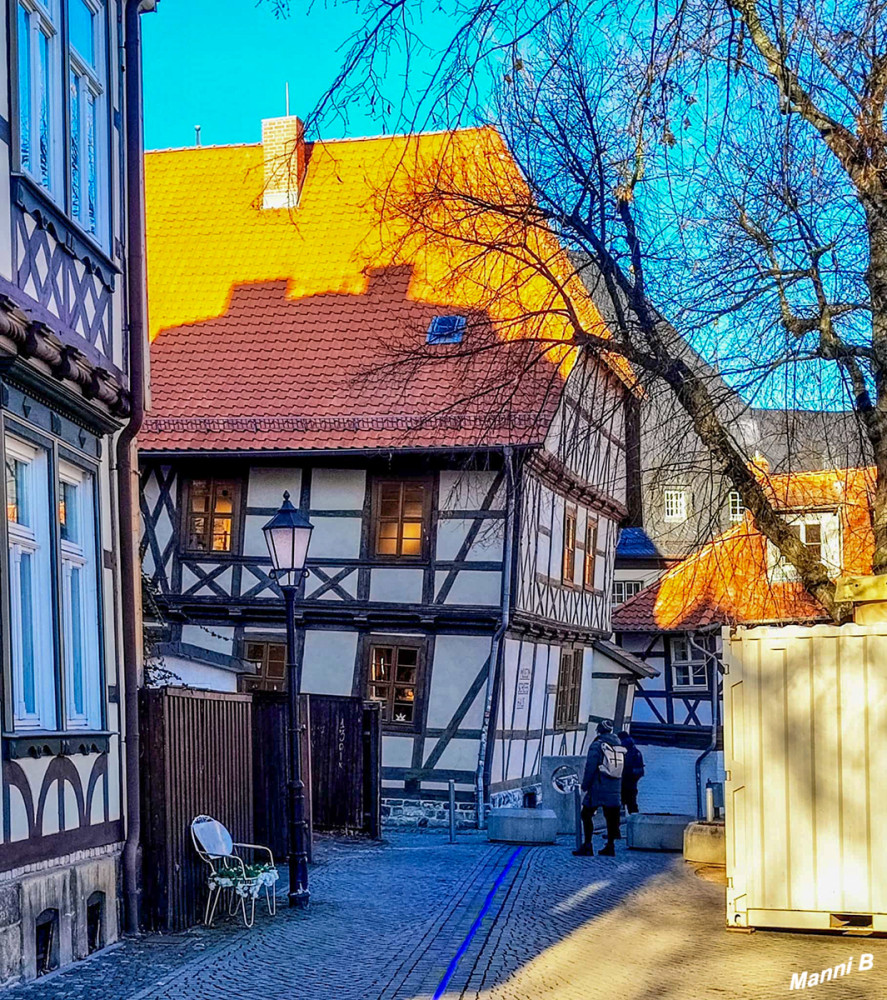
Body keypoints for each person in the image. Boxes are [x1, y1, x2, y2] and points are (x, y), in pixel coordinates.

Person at [573, 720, 622, 857]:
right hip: (615, 786)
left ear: (599, 731)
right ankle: (610, 846)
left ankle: (588, 845)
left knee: (586, 814)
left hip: (598, 787)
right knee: (611, 818)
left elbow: (590, 767)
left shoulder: (597, 745)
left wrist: (585, 785)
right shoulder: (618, 744)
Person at [618, 730, 645, 814]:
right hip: (633, 780)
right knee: (632, 803)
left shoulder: (621, 749)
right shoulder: (636, 751)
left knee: (620, 801)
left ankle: (620, 821)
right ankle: (635, 820)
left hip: (623, 778)